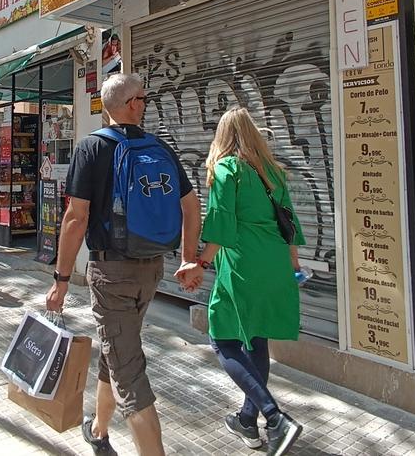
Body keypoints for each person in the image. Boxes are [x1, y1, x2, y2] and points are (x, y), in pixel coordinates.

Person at [46, 73, 201, 456]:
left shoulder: (91, 148)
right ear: (132, 104)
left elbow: (75, 219)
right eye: (144, 99)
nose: (146, 104)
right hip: (151, 269)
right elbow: (191, 204)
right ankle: (99, 431)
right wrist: (187, 257)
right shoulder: (159, 146)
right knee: (118, 349)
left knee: (130, 375)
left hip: (111, 272)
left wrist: (61, 279)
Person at [175, 108, 306, 456]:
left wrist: (200, 262)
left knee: (223, 339)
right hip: (276, 263)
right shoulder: (273, 173)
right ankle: (248, 420)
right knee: (256, 338)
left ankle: (274, 416)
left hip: (242, 263)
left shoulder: (226, 169)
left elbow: (220, 223)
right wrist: (293, 267)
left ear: (221, 135)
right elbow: (290, 226)